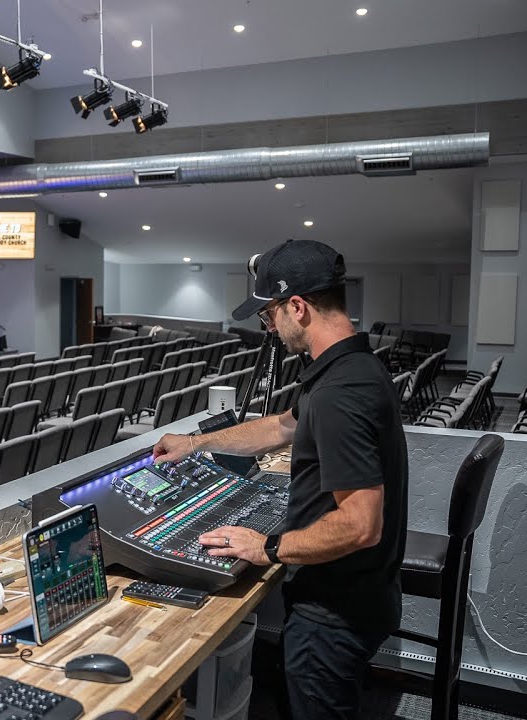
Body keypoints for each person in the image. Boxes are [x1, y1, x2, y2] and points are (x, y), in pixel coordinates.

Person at [152, 239, 408, 720]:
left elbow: (360, 524)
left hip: (334, 613)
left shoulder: (341, 392)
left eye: (269, 316)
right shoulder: (350, 367)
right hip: (359, 597)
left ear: (298, 306)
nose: (269, 329)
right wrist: (196, 444)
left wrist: (265, 547)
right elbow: (284, 425)